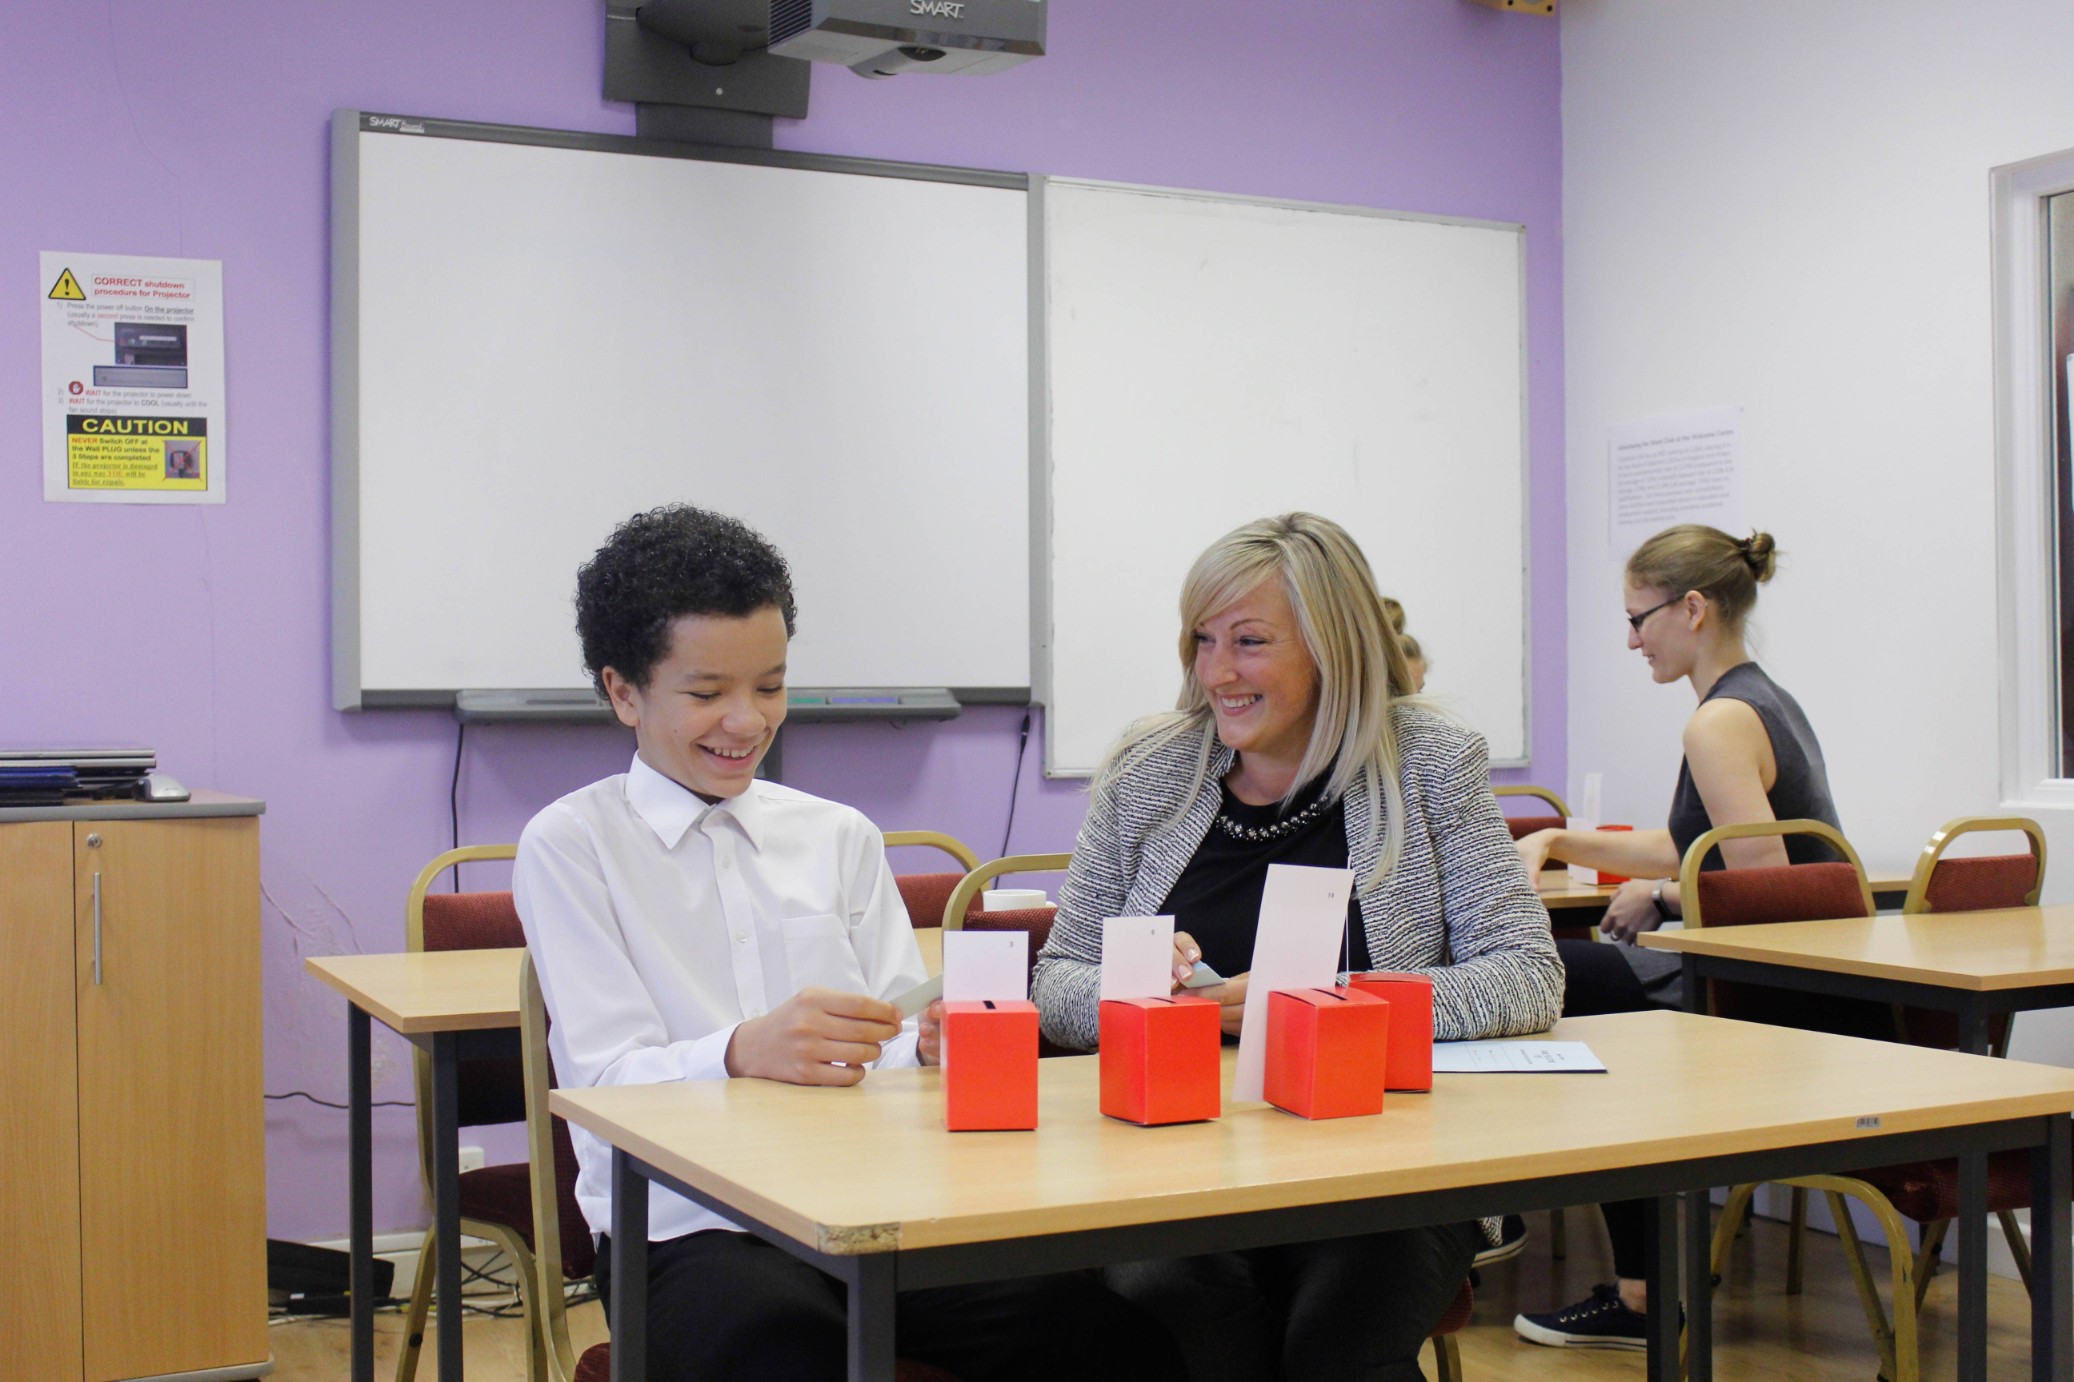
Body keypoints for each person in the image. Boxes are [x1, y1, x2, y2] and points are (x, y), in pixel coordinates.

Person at [515, 504, 1185, 1382]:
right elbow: (601, 1084)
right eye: (707, 693)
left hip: (874, 1211)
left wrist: (932, 1046)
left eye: (770, 685)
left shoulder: (839, 836)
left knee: (1104, 1334)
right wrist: (740, 1051)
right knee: (784, 1352)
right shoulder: (574, 847)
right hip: (688, 1232)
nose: (747, 721)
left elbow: (895, 1040)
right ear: (623, 692)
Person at [1031, 512, 1564, 1382]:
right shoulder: (1148, 769)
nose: (1216, 673)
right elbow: (1059, 978)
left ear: (1333, 646)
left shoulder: (1430, 761)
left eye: (1249, 641)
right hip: (1174, 1157)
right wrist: (1143, 997)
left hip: (1386, 1164)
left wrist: (1321, 1005)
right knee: (1180, 1310)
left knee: (1340, 1338)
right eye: (1203, 641)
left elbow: (1527, 976)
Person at [1510, 524, 1854, 1350]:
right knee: (1581, 975)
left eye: (1639, 618)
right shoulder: (1753, 698)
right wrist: (1559, 843)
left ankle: (1636, 1290)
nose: (1632, 639)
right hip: (1806, 979)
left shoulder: (1718, 722)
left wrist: (1659, 896)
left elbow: (1762, 881)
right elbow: (1690, 844)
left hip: (1768, 995)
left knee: (1563, 984)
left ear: (1692, 607)